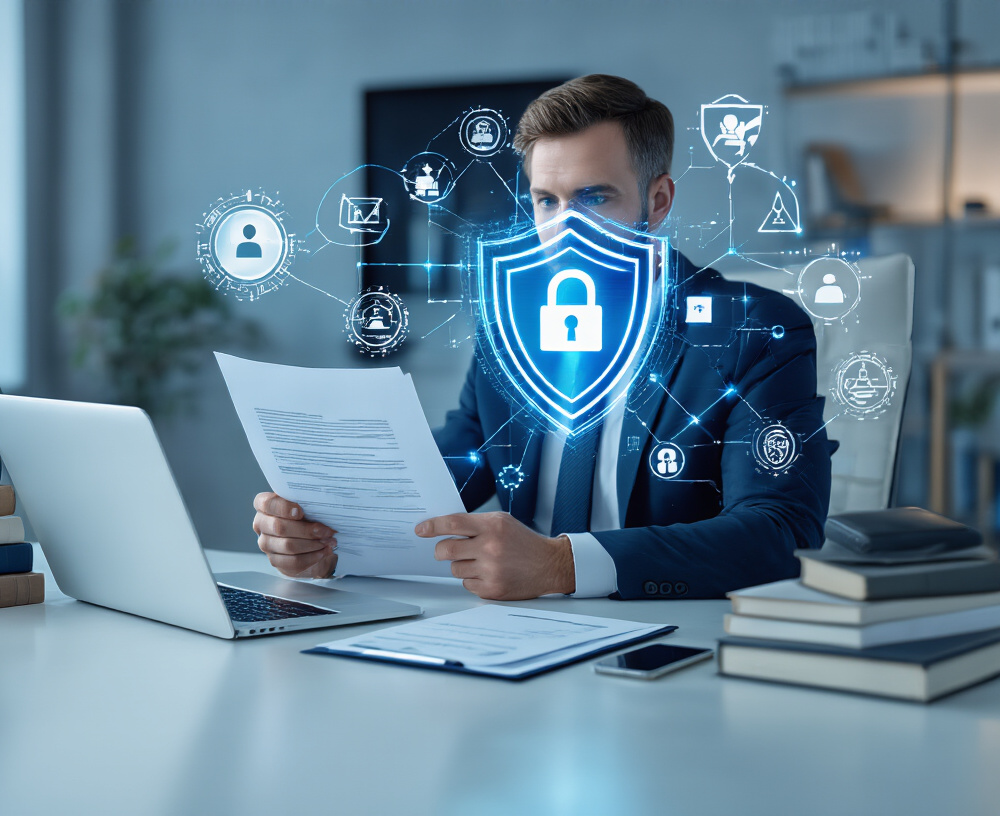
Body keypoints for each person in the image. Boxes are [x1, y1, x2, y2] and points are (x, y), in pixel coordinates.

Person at [252, 74, 832, 601]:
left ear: (657, 203)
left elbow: (782, 530)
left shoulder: (754, 331)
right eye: (547, 201)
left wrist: (562, 565)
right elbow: (451, 467)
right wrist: (328, 534)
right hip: (521, 634)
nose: (564, 229)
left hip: (670, 639)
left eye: (594, 198)